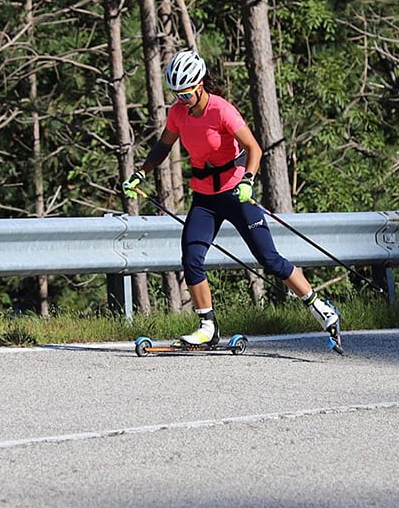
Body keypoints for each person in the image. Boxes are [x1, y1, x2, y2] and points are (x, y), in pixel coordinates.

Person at [122, 50, 341, 350]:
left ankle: (320, 307)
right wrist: (141, 173)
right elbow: (163, 145)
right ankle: (207, 327)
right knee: (191, 257)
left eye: (185, 94)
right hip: (205, 196)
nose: (181, 100)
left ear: (199, 85)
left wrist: (248, 181)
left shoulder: (221, 110)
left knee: (269, 260)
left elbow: (254, 148)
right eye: (176, 95)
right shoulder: (178, 113)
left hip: (236, 191)